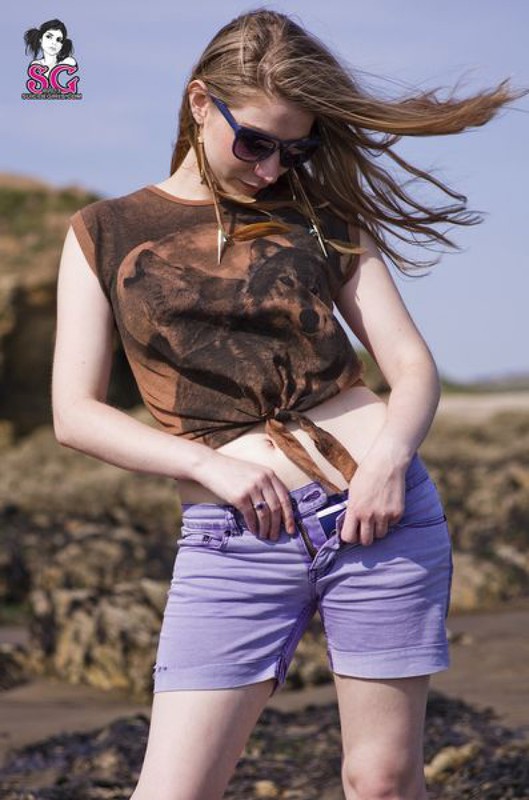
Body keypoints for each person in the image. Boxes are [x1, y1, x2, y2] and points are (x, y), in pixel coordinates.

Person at [51, 9, 523, 800]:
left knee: (380, 781)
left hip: (377, 517)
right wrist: (209, 467)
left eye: (294, 149)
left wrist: (388, 463)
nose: (272, 168)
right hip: (233, 537)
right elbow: (74, 413)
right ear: (199, 103)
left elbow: (411, 367)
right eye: (255, 143)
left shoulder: (321, 217)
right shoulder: (104, 230)